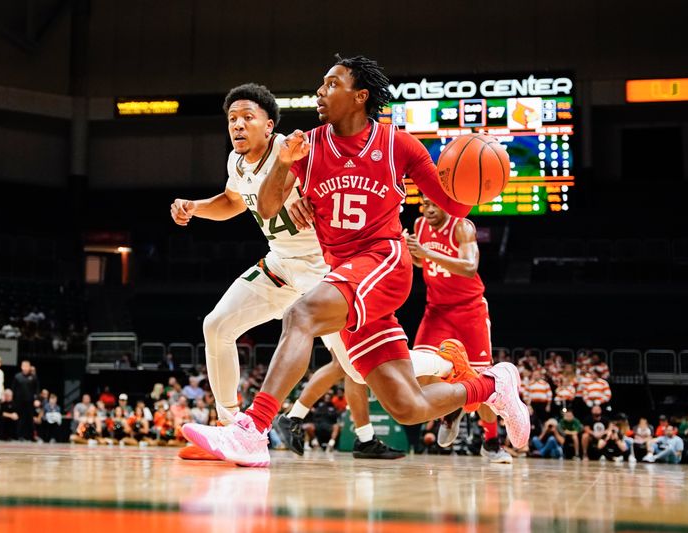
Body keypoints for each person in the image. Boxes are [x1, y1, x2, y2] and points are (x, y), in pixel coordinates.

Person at [182, 55, 529, 466]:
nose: (320, 91)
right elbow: (271, 203)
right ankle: (491, 385)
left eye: (331, 84)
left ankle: (252, 429)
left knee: (302, 314)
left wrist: (482, 181)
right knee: (406, 404)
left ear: (360, 96)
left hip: (383, 261)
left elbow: (451, 202)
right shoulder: (307, 145)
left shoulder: (398, 144)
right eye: (322, 84)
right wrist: (284, 165)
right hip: (342, 272)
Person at [171, 82, 451, 461]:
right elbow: (233, 201)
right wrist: (195, 207)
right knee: (216, 325)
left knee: (356, 372)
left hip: (327, 270)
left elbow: (342, 179)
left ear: (270, 126)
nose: (237, 126)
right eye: (232, 119)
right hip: (281, 264)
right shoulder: (236, 162)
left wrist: (312, 197)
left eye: (247, 118)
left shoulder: (300, 148)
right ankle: (229, 430)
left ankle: (446, 364)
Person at [404, 194, 510, 463]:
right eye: (424, 203)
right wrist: (412, 251)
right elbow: (423, 263)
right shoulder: (419, 225)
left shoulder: (462, 226)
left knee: (483, 380)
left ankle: (491, 442)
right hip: (437, 310)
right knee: (420, 374)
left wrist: (426, 252)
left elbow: (469, 267)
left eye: (433, 203)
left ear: (446, 203)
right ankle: (451, 407)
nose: (427, 209)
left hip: (469, 310)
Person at [11, 360, 38, 441]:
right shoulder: (17, 376)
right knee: (20, 419)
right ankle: (19, 436)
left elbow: (37, 389)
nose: (26, 368)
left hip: (30, 401)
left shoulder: (33, 377)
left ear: (29, 367)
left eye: (27, 366)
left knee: (30, 419)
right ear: (22, 367)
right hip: (19, 402)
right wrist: (13, 401)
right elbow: (13, 389)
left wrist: (37, 400)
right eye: (24, 366)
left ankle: (30, 436)